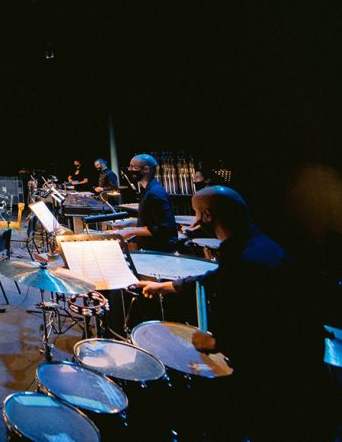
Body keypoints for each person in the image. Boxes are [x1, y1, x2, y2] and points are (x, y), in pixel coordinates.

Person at [135, 186, 333, 441]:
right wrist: (166, 286)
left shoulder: (247, 262)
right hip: (299, 366)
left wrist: (214, 343)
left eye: (196, 214)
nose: (194, 221)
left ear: (207, 216)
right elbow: (217, 277)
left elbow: (256, 332)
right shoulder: (254, 242)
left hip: (281, 378)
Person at [108, 154, 177, 251]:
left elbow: (163, 228)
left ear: (146, 169)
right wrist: (130, 222)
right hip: (151, 247)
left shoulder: (155, 193)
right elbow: (150, 222)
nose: (129, 170)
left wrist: (130, 231)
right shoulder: (147, 190)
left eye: (133, 167)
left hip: (160, 251)